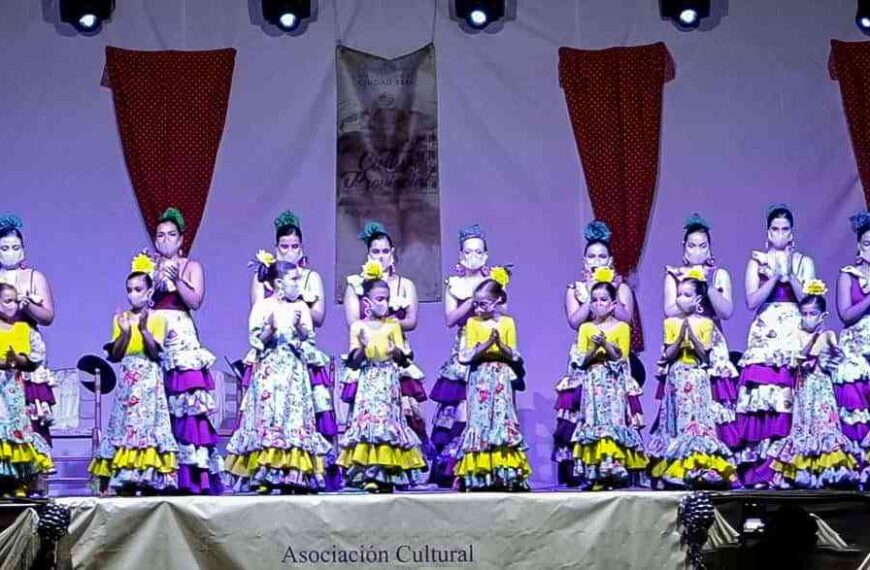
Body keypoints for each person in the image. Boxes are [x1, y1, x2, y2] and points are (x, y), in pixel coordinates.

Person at [226, 261, 333, 494]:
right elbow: (255, 340)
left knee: (293, 419)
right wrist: (271, 329)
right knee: (269, 417)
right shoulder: (263, 306)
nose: (298, 285)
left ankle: (294, 471)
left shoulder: (301, 307)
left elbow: (309, 340)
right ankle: (265, 472)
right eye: (293, 280)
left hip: (293, 372)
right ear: (278, 283)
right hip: (269, 373)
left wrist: (299, 327)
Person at [735, 204, 815, 488]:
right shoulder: (757, 261)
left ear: (792, 233)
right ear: (768, 232)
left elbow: (809, 301)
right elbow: (751, 301)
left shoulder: (804, 261)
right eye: (775, 229)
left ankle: (786, 469)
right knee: (763, 397)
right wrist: (773, 277)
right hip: (766, 330)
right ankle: (759, 470)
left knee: (789, 396)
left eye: (785, 229)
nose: (780, 234)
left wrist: (789, 273)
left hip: (793, 329)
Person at [554, 221, 639, 486]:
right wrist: (591, 295)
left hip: (614, 354)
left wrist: (609, 291)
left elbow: (627, 318)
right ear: (584, 260)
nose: (596, 261)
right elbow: (574, 321)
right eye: (591, 256)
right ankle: (582, 466)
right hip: (586, 352)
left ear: (610, 260)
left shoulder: (621, 287)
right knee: (581, 407)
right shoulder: (575, 288)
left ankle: (616, 461)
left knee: (615, 407)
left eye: (602, 256)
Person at [90, 255, 178, 494]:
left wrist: (144, 329)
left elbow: (155, 352)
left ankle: (148, 477)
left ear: (149, 291)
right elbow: (116, 355)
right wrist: (126, 333)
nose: (133, 295)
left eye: (138, 289)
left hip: (149, 379)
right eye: (129, 290)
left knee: (146, 424)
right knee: (124, 424)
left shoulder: (159, 318)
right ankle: (125, 477)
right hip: (128, 381)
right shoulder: (121, 319)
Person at [337, 261, 427, 492]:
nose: (384, 303)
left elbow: (403, 359)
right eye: (379, 299)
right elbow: (354, 361)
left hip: (388, 381)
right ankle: (368, 472)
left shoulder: (393, 325)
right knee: (369, 425)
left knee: (388, 425)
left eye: (387, 299)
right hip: (368, 381)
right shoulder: (358, 327)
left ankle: (388, 472)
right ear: (367, 303)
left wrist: (395, 351)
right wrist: (362, 346)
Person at [151, 207, 223, 494]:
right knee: (157, 399)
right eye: (160, 235)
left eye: (171, 235)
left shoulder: (191, 266)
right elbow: (138, 297)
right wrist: (152, 281)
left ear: (181, 239)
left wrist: (176, 280)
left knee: (187, 401)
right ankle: (158, 473)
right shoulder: (148, 264)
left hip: (181, 333)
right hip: (155, 331)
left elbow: (195, 301)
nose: (165, 240)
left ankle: (191, 476)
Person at [647, 271, 738, 489]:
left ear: (697, 299)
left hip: (698, 376)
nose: (680, 299)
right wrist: (680, 336)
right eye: (679, 294)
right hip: (677, 376)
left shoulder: (706, 323)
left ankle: (699, 467)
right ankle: (673, 469)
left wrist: (692, 334)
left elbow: (705, 354)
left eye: (686, 295)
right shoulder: (670, 323)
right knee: (677, 420)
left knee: (698, 420)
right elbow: (668, 355)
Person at [767, 282, 859, 489]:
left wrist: (832, 352)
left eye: (812, 314)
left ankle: (828, 474)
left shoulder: (829, 335)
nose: (807, 317)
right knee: (805, 426)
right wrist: (812, 339)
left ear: (822, 316)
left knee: (824, 425)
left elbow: (837, 357)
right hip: (804, 388)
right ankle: (801, 473)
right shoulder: (798, 335)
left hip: (822, 387)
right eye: (804, 313)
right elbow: (798, 358)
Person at [569, 269, 648, 490]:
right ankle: (595, 470)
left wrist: (605, 344)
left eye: (603, 300)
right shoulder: (586, 328)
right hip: (594, 381)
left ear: (613, 304)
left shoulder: (622, 327)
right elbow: (582, 360)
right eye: (594, 300)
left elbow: (620, 357)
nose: (598, 304)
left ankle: (615, 464)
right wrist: (595, 348)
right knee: (594, 420)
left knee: (614, 420)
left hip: (614, 382)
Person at [454, 270, 531, 491]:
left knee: (501, 420)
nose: (478, 309)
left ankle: (504, 474)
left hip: (500, 376)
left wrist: (499, 344)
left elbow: (513, 353)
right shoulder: (472, 323)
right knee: (479, 421)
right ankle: (479, 475)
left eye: (483, 304)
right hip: (480, 376)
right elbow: (469, 354)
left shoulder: (507, 323)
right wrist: (487, 344)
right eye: (476, 304)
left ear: (497, 301)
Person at [0, 283, 53, 497]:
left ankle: (16, 482)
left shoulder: (24, 329)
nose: (13, 305)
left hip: (14, 389)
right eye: (7, 301)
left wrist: (16, 360)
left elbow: (34, 359)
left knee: (17, 434)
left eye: (15, 300)